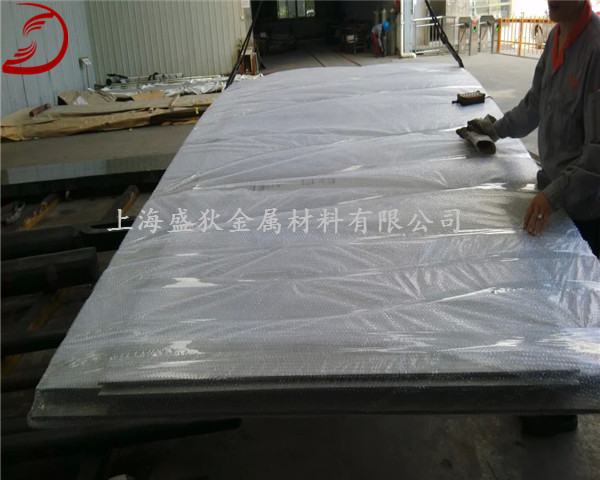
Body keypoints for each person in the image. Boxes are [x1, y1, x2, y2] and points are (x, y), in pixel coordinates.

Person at [465, 0, 600, 258]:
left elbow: (597, 154)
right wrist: (495, 130)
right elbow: (535, 104)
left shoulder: (595, 50)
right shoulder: (555, 36)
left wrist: (553, 196)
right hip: (552, 194)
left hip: (584, 212)